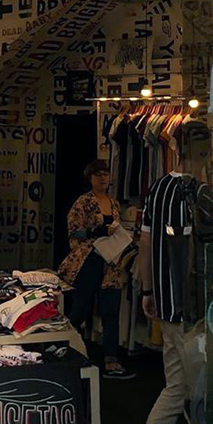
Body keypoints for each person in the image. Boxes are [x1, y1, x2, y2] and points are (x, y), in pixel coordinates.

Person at [129, 121, 213, 424]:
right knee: (200, 391)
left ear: (175, 148)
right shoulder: (204, 194)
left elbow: (145, 242)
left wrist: (148, 291)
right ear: (206, 152)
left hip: (165, 302)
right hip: (194, 308)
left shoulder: (158, 189)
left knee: (177, 385)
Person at [59, 160, 134, 381]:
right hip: (89, 259)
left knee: (111, 311)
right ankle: (66, 350)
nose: (102, 178)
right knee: (80, 308)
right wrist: (98, 230)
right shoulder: (84, 202)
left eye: (105, 174)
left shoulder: (114, 203)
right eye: (98, 174)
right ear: (90, 178)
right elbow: (74, 230)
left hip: (111, 262)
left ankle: (111, 361)